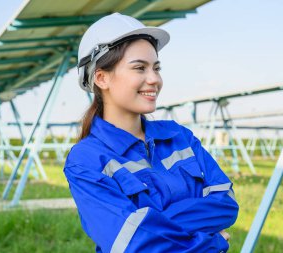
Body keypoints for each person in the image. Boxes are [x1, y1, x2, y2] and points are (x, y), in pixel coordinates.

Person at [64, 12, 239, 253]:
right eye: (140, 68)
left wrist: (153, 223)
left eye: (156, 68)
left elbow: (226, 204)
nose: (154, 79)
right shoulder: (86, 160)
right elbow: (132, 243)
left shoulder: (180, 137)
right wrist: (212, 243)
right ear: (102, 78)